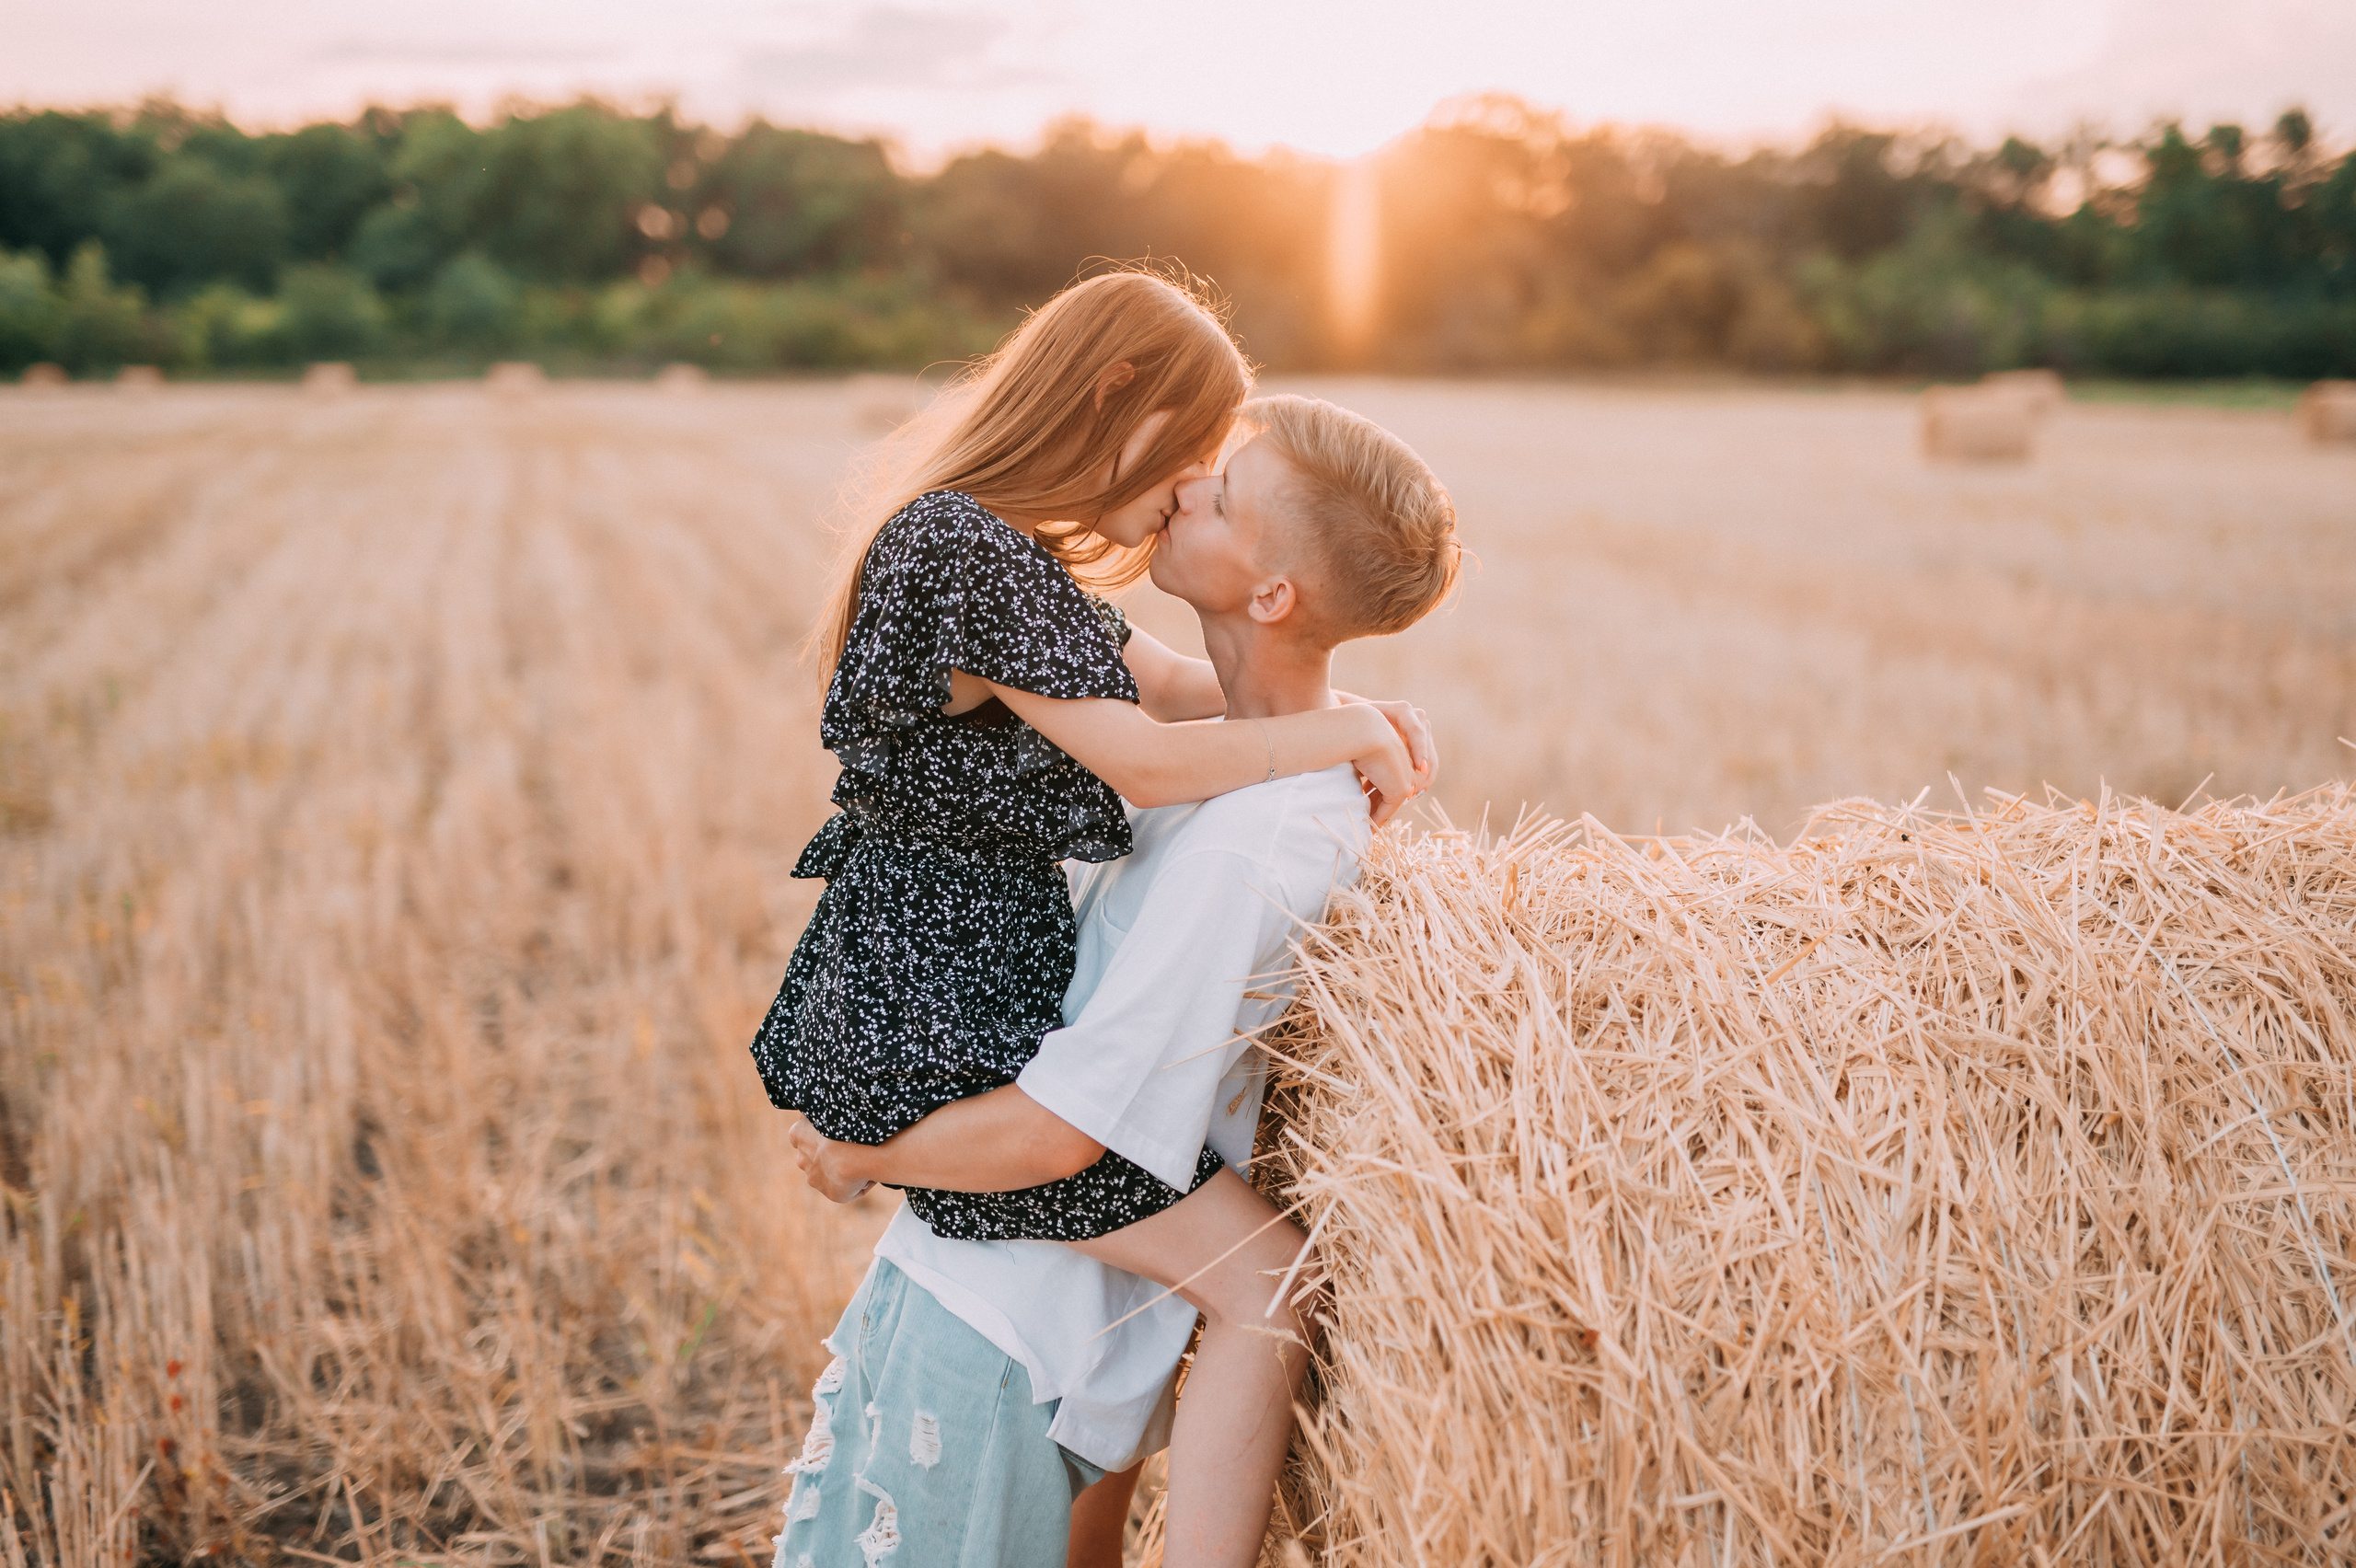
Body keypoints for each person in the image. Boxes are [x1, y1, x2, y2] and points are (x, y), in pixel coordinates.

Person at [777, 395, 1461, 1568]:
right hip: (1000, 1317)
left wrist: (857, 1156)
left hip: (1002, 1347)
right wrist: (1350, 721)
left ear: (1272, 594)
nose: (1187, 483)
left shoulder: (1254, 843)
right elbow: (1171, 716)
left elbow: (1061, 1135)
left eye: (1224, 495)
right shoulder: (1224, 770)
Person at [748, 271, 1433, 1262]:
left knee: (1252, 1266)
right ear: (1113, 394)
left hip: (958, 967)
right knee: (1261, 1280)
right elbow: (1147, 765)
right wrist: (1339, 740)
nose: (1194, 483)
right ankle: (870, 1152)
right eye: (1194, 445)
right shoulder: (963, 552)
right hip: (938, 992)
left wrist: (1355, 710)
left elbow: (1162, 683)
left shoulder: (1003, 553)